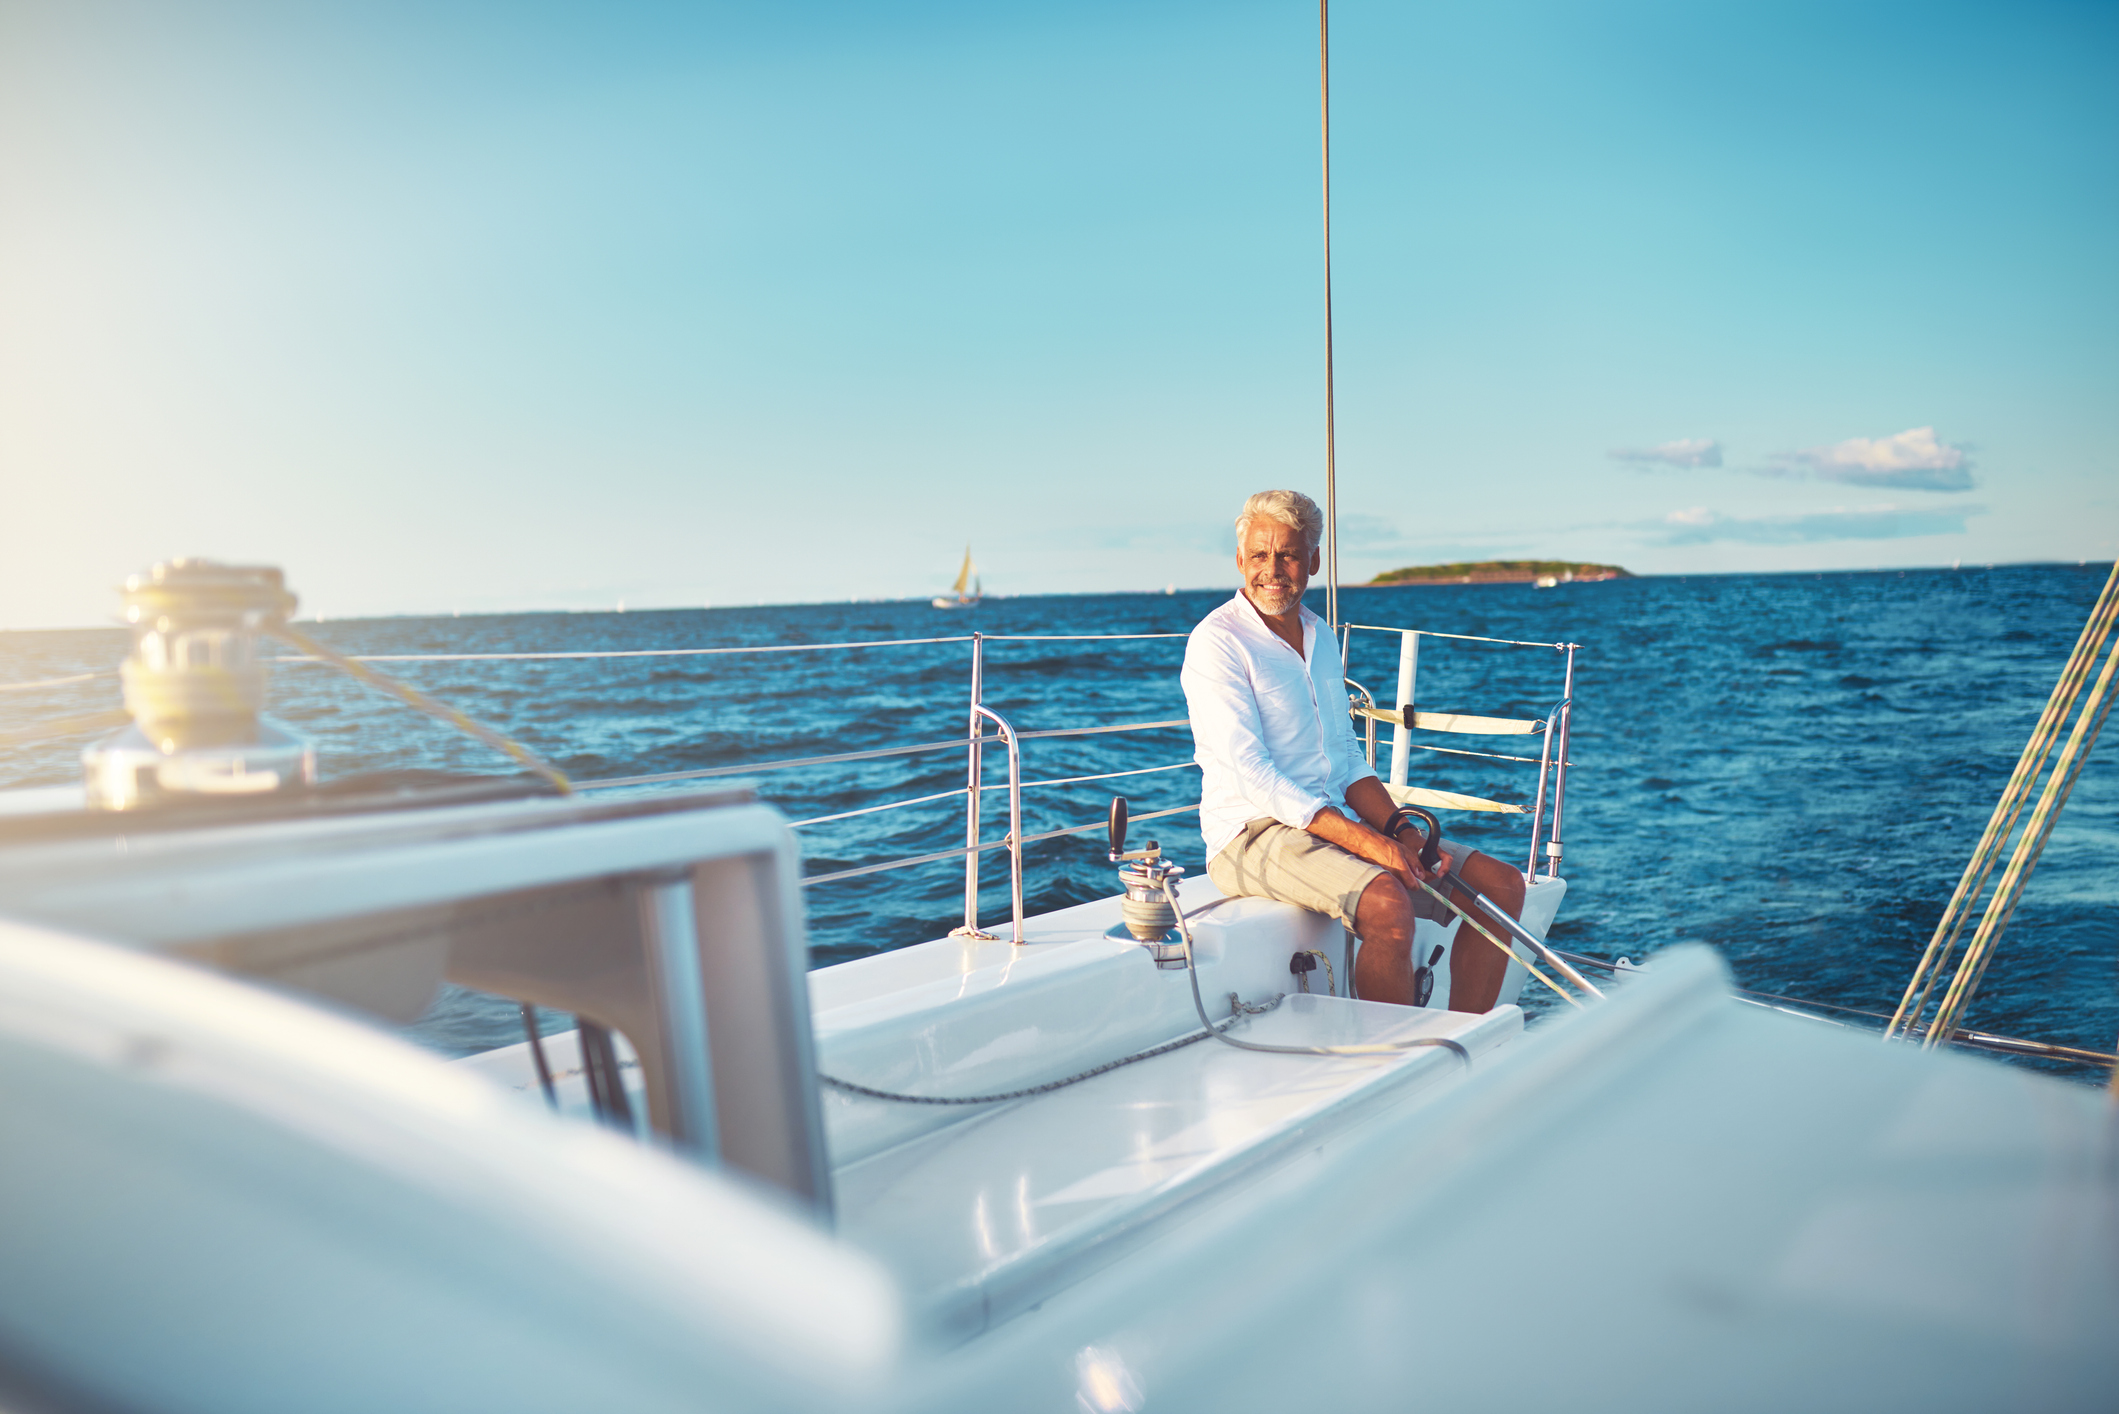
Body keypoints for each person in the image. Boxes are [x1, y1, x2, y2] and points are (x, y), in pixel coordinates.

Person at [1181, 489, 1527, 1011]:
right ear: (1239, 560)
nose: (1272, 569)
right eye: (1259, 555)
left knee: (1500, 888)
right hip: (1249, 834)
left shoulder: (1320, 636)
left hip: (1329, 817)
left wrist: (1402, 834)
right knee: (1388, 905)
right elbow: (1252, 773)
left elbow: (1345, 758)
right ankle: (1396, 1061)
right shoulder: (1217, 643)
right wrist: (1369, 847)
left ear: (1313, 560)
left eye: (1289, 554)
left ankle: (1461, 1047)